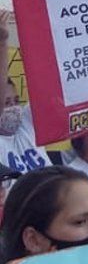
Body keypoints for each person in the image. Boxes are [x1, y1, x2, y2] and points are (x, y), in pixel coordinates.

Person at [0, 11, 54, 177]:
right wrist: (2, 43)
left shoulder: (27, 123)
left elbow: (46, 84)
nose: (14, 107)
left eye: (16, 101)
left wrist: (31, 26)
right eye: (6, 102)